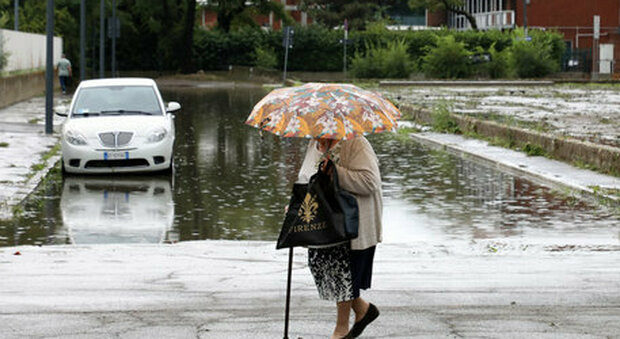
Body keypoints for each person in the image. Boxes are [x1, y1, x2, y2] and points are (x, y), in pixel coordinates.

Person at [296, 136, 383, 339]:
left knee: (343, 273)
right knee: (324, 268)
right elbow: (306, 179)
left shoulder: (355, 143)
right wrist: (297, 203)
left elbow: (370, 182)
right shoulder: (314, 144)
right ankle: (363, 309)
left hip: (353, 225)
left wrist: (337, 172)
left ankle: (340, 330)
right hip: (323, 223)